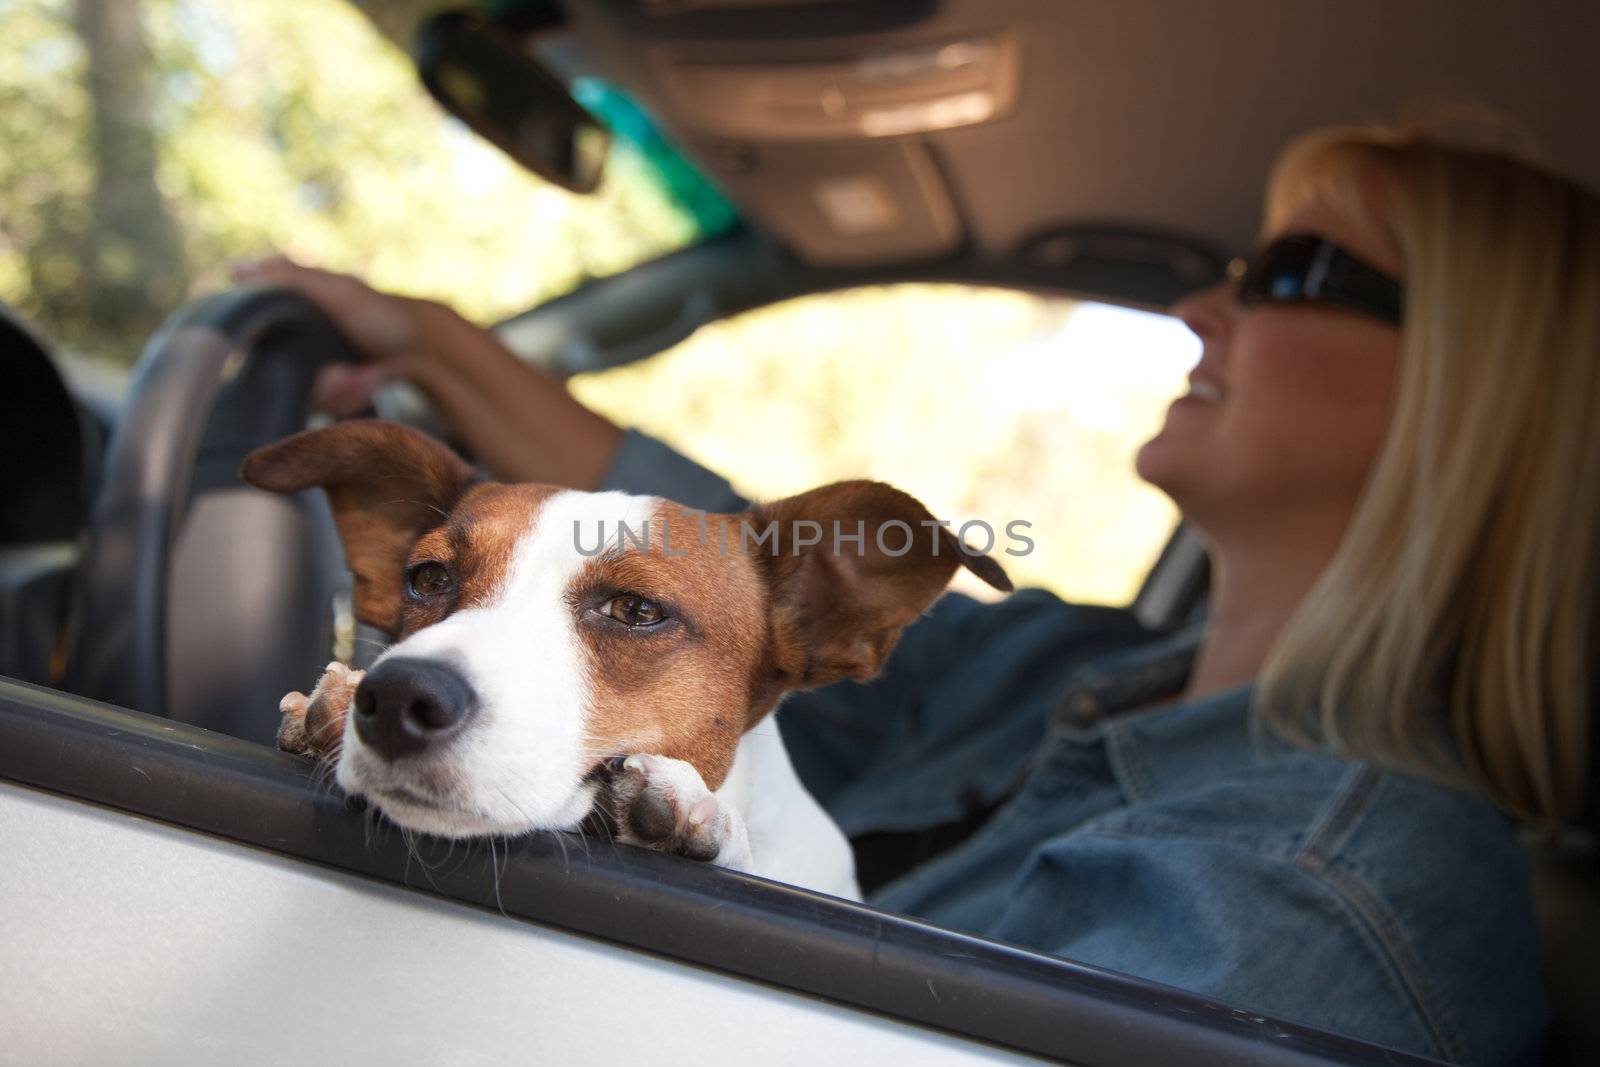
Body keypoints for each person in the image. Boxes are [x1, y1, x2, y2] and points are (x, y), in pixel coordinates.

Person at [235, 123, 1600, 1066]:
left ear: (1486, 394)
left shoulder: (1333, 890)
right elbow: (683, 552)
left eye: (1290, 274)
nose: (1202, 304)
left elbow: (696, 584)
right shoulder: (1069, 671)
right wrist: (432, 341)